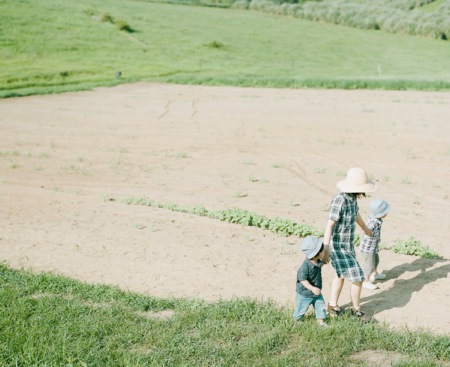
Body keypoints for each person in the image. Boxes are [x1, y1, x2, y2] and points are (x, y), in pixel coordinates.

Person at [322, 167, 376, 322]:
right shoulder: (340, 200)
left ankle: (332, 306)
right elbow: (329, 225)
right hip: (337, 247)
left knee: (340, 276)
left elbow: (356, 214)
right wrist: (326, 248)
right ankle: (356, 310)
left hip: (348, 246)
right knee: (358, 277)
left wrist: (365, 228)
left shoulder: (352, 199)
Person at [293, 236, 328, 327]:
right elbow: (302, 279)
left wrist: (324, 262)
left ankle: (321, 321)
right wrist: (312, 288)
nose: (324, 251)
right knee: (302, 307)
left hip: (316, 292)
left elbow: (320, 265)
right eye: (322, 250)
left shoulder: (317, 261)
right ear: (316, 253)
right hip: (304, 293)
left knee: (320, 305)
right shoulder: (305, 266)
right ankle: (297, 320)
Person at [360, 198, 391, 290]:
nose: (387, 213)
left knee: (376, 260)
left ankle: (375, 274)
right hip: (368, 249)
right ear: (380, 213)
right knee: (369, 265)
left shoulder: (375, 217)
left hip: (373, 247)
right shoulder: (373, 223)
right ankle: (366, 281)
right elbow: (367, 228)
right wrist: (368, 231)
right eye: (385, 212)